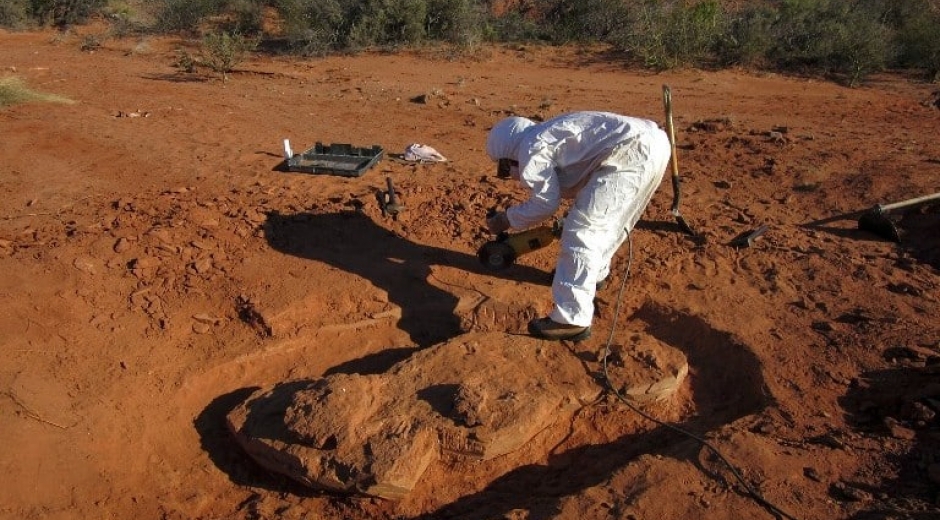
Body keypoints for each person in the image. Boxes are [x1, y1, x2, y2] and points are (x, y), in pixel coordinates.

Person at [484, 111, 672, 341]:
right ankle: (595, 274)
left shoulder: (530, 149)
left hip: (631, 152)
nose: (509, 174)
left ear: (508, 155)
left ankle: (571, 319)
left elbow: (545, 204)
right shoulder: (543, 136)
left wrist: (506, 219)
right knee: (608, 222)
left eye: (504, 168)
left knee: (582, 230)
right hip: (653, 144)